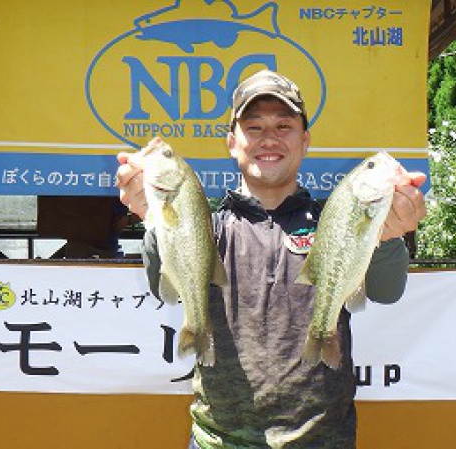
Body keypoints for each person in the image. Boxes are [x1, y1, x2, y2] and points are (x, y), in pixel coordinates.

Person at [115, 70, 427, 448]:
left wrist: (389, 234)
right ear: (232, 142)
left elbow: (387, 291)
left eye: (283, 126)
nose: (269, 139)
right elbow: (160, 287)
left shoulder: (336, 222)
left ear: (305, 140)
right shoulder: (207, 226)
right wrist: (154, 220)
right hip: (218, 440)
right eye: (254, 127)